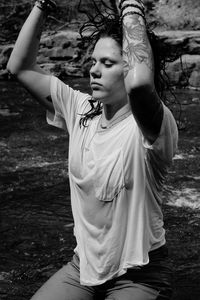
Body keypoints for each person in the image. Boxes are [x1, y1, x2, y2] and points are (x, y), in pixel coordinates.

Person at [7, 0, 178, 299]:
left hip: (140, 273)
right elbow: (18, 67)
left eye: (108, 63)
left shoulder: (153, 126)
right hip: (84, 267)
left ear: (130, 69)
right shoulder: (81, 109)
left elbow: (139, 86)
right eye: (94, 61)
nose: (93, 71)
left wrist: (131, 8)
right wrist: (43, 4)